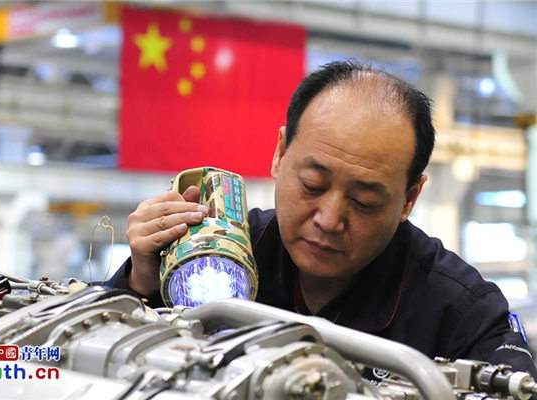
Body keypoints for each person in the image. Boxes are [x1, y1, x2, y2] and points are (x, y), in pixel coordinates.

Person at [107, 60, 537, 379]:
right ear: (280, 154)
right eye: (312, 185)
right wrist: (138, 284)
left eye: (364, 202)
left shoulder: (461, 314)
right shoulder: (218, 256)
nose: (329, 220)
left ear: (409, 199)